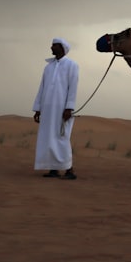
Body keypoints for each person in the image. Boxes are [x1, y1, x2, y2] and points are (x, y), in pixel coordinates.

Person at [33, 37, 80, 179]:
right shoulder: (48, 67)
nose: (51, 48)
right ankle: (54, 169)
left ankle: (69, 170)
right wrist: (38, 109)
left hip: (62, 109)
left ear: (62, 47)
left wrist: (69, 108)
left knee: (62, 137)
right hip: (47, 109)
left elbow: (73, 88)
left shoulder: (72, 65)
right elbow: (42, 88)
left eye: (54, 45)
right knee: (48, 138)